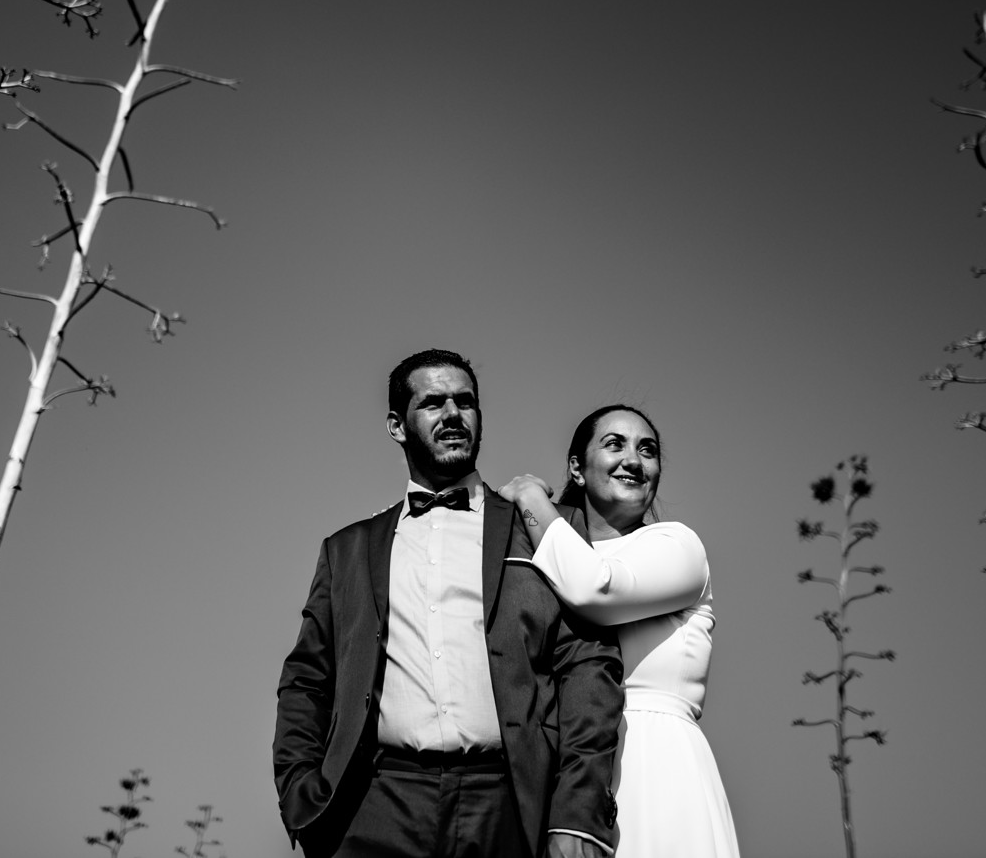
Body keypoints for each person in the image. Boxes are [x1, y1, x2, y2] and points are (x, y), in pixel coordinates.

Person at [274, 349, 625, 858]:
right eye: (433, 403)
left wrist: (579, 812)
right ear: (397, 425)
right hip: (375, 805)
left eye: (465, 401)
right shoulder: (346, 550)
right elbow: (307, 679)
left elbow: (589, 666)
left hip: (510, 803)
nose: (453, 414)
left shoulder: (544, 529)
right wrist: (301, 794)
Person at [498, 405, 741, 858]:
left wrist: (531, 498)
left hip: (654, 761)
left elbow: (596, 587)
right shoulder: (552, 553)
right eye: (615, 444)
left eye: (647, 450)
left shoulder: (678, 547)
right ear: (577, 467)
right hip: (565, 763)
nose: (634, 459)